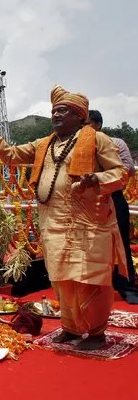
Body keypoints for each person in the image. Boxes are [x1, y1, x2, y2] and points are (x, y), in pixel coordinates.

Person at [0, 85, 128, 350]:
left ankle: (96, 333)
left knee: (89, 279)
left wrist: (97, 178)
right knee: (62, 280)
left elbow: (120, 173)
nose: (56, 115)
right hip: (53, 224)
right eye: (54, 111)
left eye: (63, 110)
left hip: (89, 223)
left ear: (79, 116)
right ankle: (70, 329)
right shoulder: (43, 145)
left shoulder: (97, 140)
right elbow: (10, 156)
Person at [89, 110, 138, 303]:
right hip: (87, 202)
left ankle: (127, 287)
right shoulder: (75, 148)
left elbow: (129, 170)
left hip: (113, 198)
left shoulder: (116, 143)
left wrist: (102, 173)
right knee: (90, 245)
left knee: (121, 243)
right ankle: (95, 288)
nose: (84, 129)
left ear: (98, 124)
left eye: (88, 124)